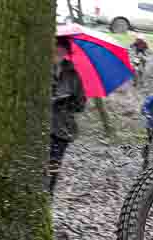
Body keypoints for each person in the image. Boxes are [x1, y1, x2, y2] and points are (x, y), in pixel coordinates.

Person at [49, 37, 87, 196]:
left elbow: (80, 104)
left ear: (66, 52)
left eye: (62, 48)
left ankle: (48, 195)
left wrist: (66, 102)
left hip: (62, 128)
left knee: (53, 165)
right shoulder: (40, 67)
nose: (59, 51)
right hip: (41, 124)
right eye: (57, 47)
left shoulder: (73, 74)